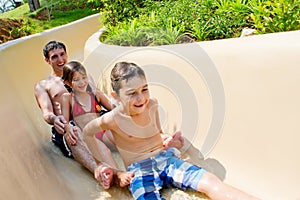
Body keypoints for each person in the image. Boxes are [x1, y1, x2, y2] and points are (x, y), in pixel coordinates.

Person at [83, 61, 259, 200]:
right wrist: (104, 165)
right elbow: (87, 133)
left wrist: (167, 140)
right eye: (132, 93)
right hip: (139, 170)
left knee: (210, 182)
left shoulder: (152, 104)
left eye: (145, 89)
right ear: (116, 96)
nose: (141, 98)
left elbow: (158, 133)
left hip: (166, 159)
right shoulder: (112, 119)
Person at [34, 41, 116, 189]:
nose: (60, 60)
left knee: (114, 120)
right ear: (47, 60)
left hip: (90, 118)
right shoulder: (43, 85)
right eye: (54, 57)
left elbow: (98, 97)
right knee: (73, 132)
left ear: (66, 54)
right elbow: (47, 113)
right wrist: (56, 119)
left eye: (62, 54)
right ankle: (100, 171)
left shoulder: (81, 74)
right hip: (68, 125)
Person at [61, 60, 134, 187]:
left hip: (102, 131)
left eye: (84, 77)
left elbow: (113, 108)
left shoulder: (95, 94)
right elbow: (65, 121)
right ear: (67, 82)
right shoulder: (67, 98)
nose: (82, 82)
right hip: (90, 136)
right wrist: (67, 128)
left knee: (122, 141)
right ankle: (118, 175)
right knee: (104, 151)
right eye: (76, 79)